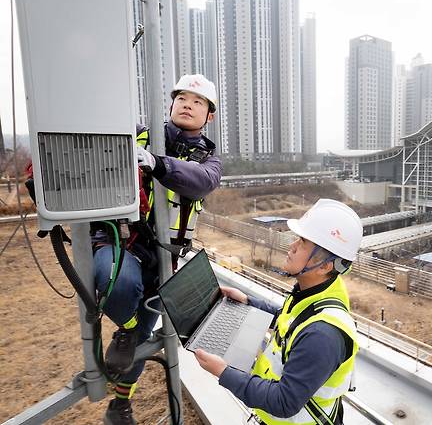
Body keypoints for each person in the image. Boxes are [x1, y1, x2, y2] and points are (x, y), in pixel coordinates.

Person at [96, 74, 222, 424]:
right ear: (169, 105)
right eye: (181, 98)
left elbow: (199, 183)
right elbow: (96, 136)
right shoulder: (139, 135)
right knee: (118, 285)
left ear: (208, 115)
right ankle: (125, 329)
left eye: (198, 101)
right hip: (123, 242)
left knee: (140, 340)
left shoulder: (209, 161)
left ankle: (121, 404)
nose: (187, 104)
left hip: (164, 258)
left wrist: (159, 163)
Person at [195, 199, 362, 425]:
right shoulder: (315, 292)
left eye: (303, 242)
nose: (291, 247)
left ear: (325, 265)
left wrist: (224, 372)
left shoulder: (323, 336)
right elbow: (290, 319)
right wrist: (248, 301)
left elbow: (283, 402)